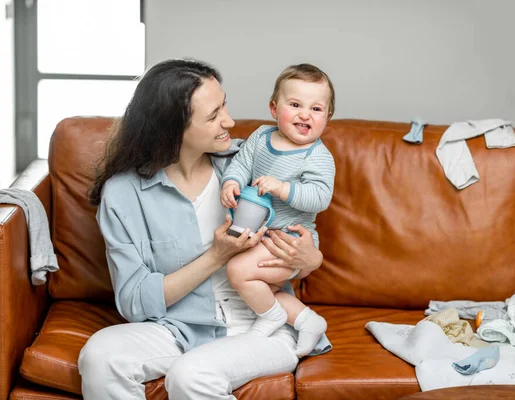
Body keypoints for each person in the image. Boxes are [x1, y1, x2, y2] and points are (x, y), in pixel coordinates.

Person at [79, 59, 330, 400]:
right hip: (178, 327)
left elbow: (292, 235)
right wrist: (217, 256)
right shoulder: (124, 194)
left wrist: (309, 260)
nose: (229, 120)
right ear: (172, 129)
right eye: (213, 115)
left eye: (223, 103)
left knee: (191, 375)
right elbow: (134, 302)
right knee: (101, 355)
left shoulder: (244, 166)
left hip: (262, 326)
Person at [220, 64, 335, 357]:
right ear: (274, 108)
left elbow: (320, 197)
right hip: (261, 235)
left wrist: (283, 188)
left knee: (237, 271)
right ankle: (309, 322)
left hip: (290, 241)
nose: (305, 114)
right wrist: (231, 181)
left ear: (328, 116)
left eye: (317, 108)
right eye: (295, 104)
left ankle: (271, 317)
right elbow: (241, 165)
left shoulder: (318, 156)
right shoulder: (260, 137)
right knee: (262, 287)